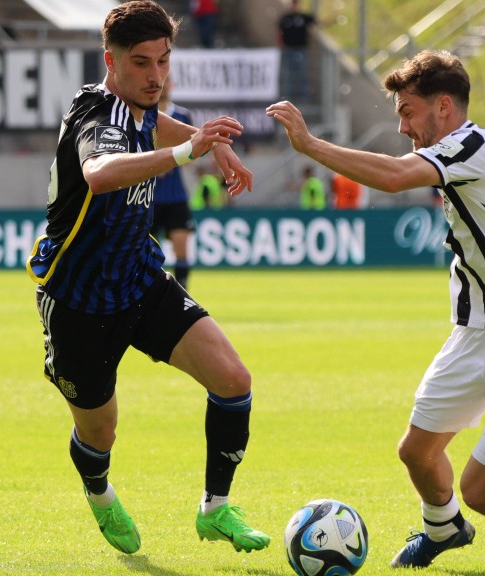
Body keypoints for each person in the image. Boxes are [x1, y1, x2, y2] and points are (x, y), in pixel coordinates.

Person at [268, 49, 485, 576]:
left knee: (480, 487)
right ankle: (445, 528)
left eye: (407, 112)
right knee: (416, 452)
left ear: (442, 106)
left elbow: (392, 178)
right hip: (475, 336)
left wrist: (309, 144)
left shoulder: (471, 147)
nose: (402, 126)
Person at [26, 0, 269, 557]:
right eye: (141, 63)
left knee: (233, 380)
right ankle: (99, 491)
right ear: (109, 61)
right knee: (101, 434)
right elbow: (100, 173)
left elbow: (156, 122)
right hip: (78, 301)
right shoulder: (97, 114)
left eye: (163, 60)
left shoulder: (141, 108)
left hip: (138, 280)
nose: (155, 75)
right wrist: (188, 152)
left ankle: (216, 509)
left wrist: (216, 148)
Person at [153, 78, 195, 287]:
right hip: (148, 195)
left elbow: (192, 154)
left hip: (176, 194)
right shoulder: (143, 115)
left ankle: (183, 298)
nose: (163, 86)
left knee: (181, 247)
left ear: (172, 85)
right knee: (147, 252)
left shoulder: (182, 116)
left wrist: (168, 162)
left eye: (166, 82)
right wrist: (154, 164)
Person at [276, 0, 316, 102]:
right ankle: (287, 98)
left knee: (302, 74)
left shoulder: (303, 17)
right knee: (288, 75)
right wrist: (281, 45)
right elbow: (279, 32)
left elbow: (317, 23)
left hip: (301, 50)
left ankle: (303, 97)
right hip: (289, 49)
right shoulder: (286, 18)